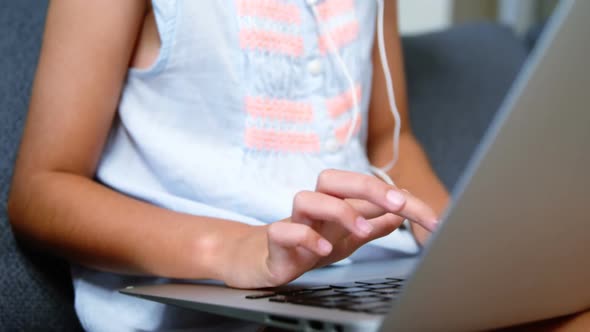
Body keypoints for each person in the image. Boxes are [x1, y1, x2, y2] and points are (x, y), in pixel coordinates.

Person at [8, 0, 449, 330]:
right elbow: (43, 187)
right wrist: (234, 249)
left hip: (367, 275)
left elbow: (390, 143)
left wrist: (459, 238)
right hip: (196, 295)